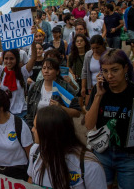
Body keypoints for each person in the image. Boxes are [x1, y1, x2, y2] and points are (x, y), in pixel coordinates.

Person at [85, 49, 134, 189]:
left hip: (128, 156)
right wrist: (98, 96)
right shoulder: (100, 89)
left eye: (114, 70)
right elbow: (89, 124)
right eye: (105, 71)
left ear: (125, 68)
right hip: (103, 152)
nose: (109, 76)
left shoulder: (132, 91)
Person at [28, 105, 107, 188]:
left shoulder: (89, 165)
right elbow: (31, 180)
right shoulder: (35, 152)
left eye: (36, 127)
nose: (32, 130)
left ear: (49, 134)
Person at [26, 58, 81, 128]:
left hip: (58, 130)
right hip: (38, 130)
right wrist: (31, 129)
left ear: (57, 72)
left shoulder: (64, 88)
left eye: (50, 68)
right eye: (44, 68)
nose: (46, 71)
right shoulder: (35, 87)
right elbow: (29, 114)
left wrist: (61, 108)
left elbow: (77, 112)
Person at [0, 42, 37, 118]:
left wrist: (33, 41)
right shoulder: (1, 71)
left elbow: (34, 57)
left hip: (22, 113)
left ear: (17, 59)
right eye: (6, 58)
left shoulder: (23, 72)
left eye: (11, 58)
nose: (8, 61)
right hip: (6, 114)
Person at [81, 35, 109, 105]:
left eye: (97, 48)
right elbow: (84, 71)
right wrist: (83, 87)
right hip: (92, 87)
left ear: (103, 45)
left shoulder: (110, 53)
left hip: (108, 87)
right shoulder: (88, 55)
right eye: (93, 48)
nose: (95, 50)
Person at [68, 34, 91, 106]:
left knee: (88, 103)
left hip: (88, 80)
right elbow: (68, 67)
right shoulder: (71, 55)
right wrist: (72, 74)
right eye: (77, 41)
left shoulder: (90, 54)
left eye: (81, 41)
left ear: (85, 42)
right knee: (79, 104)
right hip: (77, 80)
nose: (79, 42)